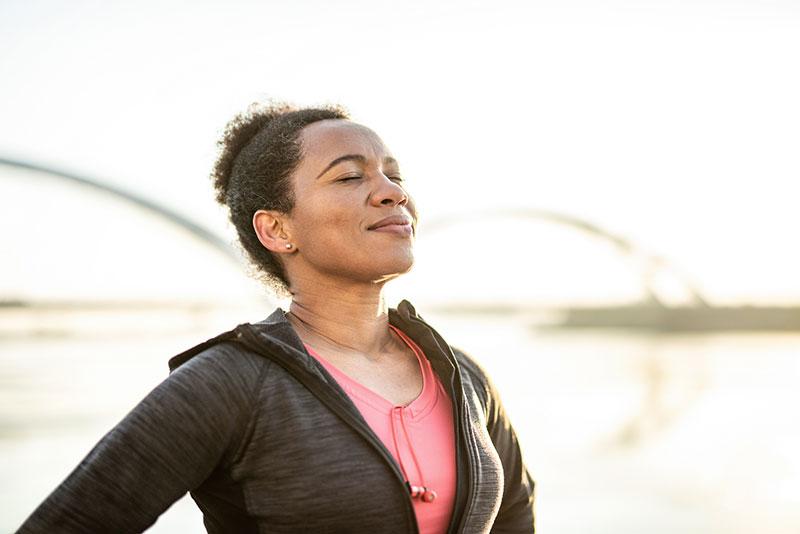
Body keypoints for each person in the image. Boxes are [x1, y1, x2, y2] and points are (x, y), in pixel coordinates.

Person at [16, 103, 536, 533]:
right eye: (351, 176)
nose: (392, 192)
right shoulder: (228, 383)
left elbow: (516, 518)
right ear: (277, 230)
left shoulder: (463, 377)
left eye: (393, 175)